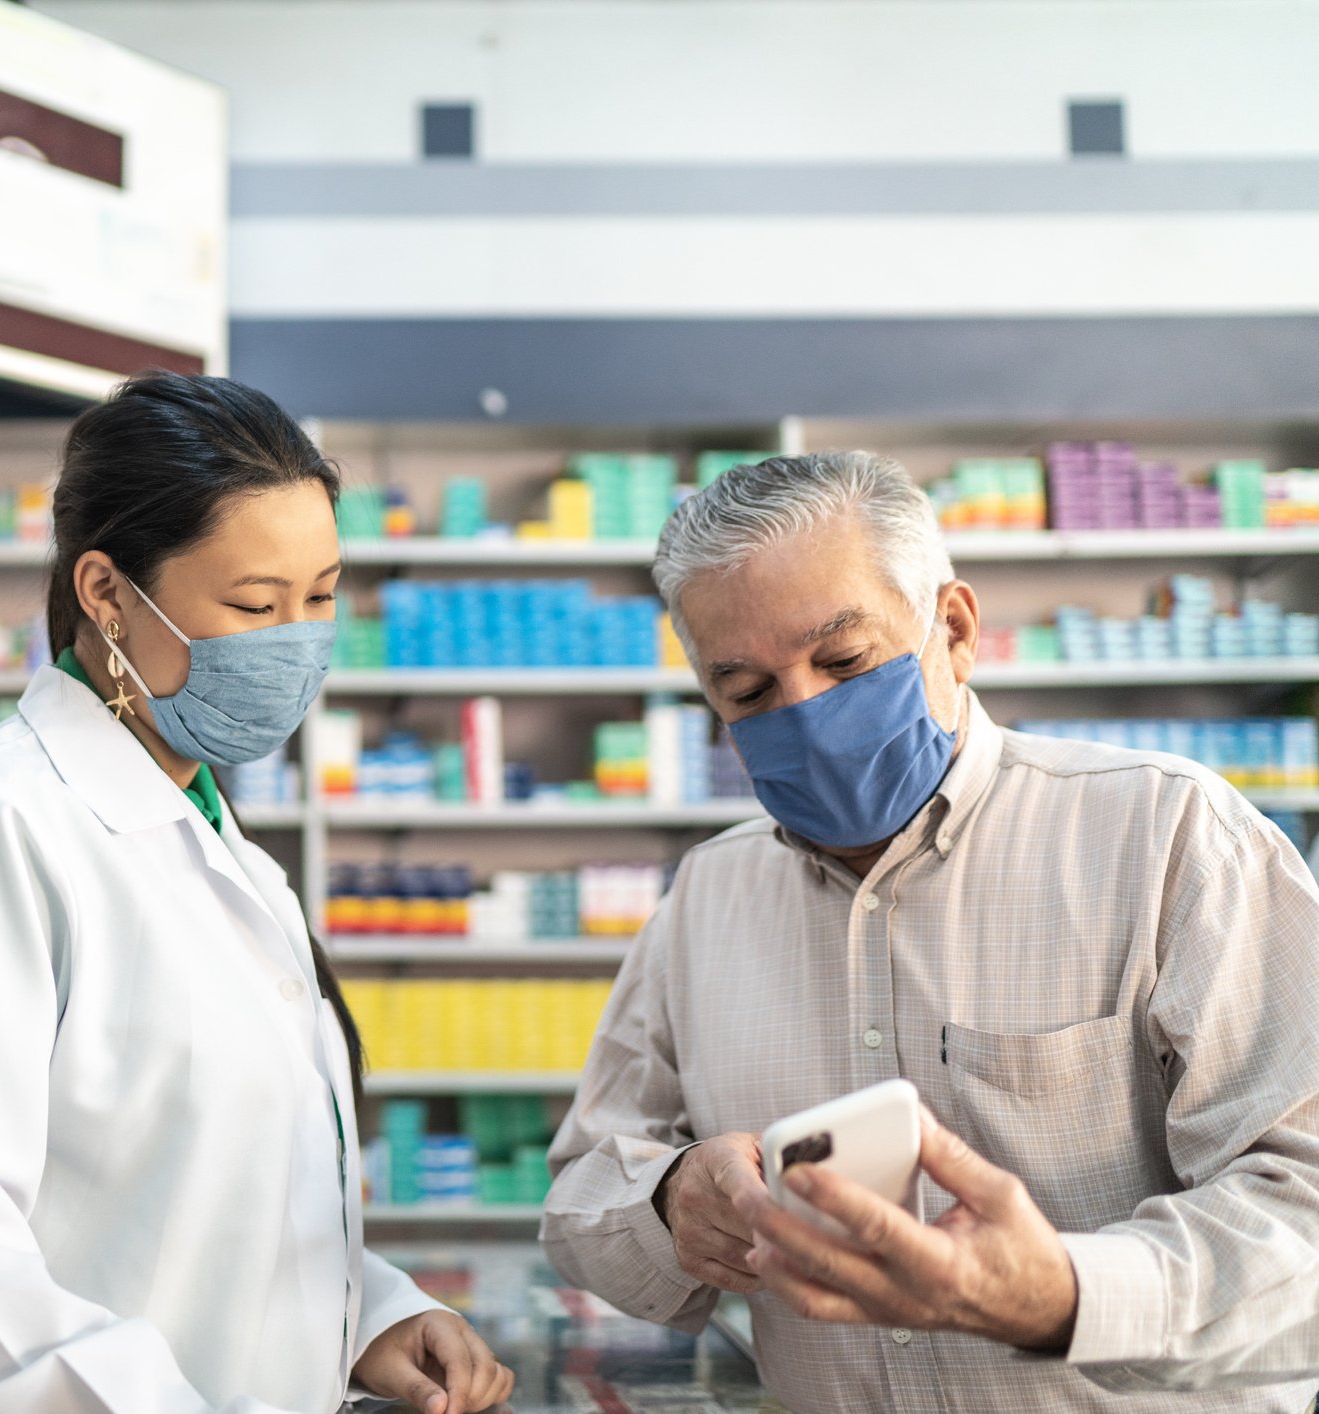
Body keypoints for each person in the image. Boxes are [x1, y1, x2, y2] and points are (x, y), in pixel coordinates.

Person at [540, 451, 1319, 1410]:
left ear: (951, 629)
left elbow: (1305, 1206)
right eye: (748, 693)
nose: (809, 716)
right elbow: (579, 1195)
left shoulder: (1167, 838)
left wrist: (1067, 1294)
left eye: (844, 661)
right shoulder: (708, 895)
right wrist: (667, 1204)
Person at [0, 373, 516, 1414]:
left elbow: (215, 1192)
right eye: (252, 604)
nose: (296, 641)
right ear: (105, 594)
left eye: (319, 597)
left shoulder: (222, 845)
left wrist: (370, 1316)